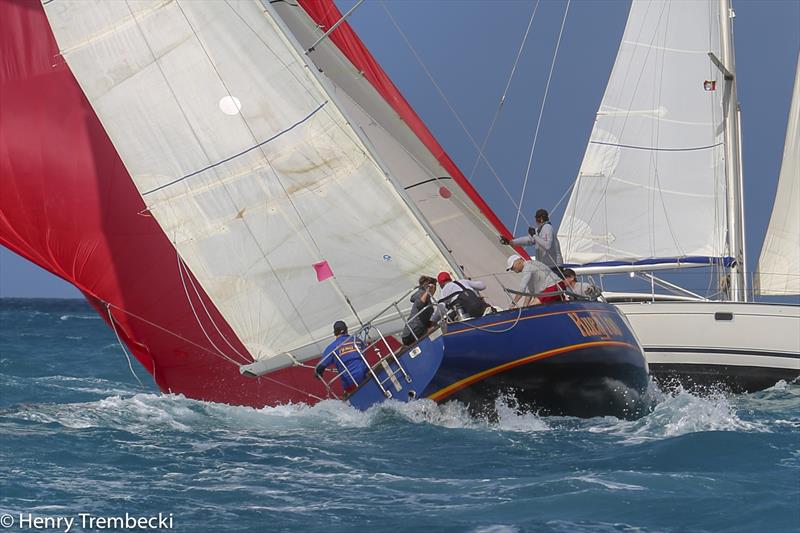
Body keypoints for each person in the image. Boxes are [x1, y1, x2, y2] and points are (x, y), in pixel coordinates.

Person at [315, 320, 367, 394]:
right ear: (347, 329)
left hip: (351, 384)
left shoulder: (332, 347)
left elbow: (320, 367)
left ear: (335, 333)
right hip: (366, 376)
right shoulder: (357, 340)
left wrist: (318, 374)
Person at [401, 275, 439, 346]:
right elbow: (420, 304)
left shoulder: (426, 297)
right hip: (412, 333)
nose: (435, 289)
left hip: (416, 331)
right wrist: (428, 291)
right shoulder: (421, 294)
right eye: (435, 287)